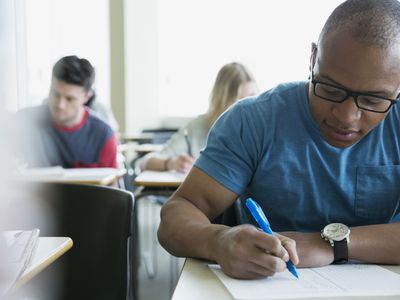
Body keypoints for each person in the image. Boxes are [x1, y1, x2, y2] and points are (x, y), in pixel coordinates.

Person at [158, 0, 400, 280]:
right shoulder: (254, 121)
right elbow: (177, 215)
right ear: (312, 58)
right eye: (331, 89)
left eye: (373, 100)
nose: (346, 116)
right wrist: (219, 240)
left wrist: (331, 245)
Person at [138, 62, 258, 173]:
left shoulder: (258, 133)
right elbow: (144, 162)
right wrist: (171, 163)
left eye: (252, 100)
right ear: (222, 101)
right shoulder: (197, 128)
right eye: (238, 103)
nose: (246, 111)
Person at [16, 55, 118, 168]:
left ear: (87, 97)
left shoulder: (103, 135)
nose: (60, 105)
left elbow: (111, 184)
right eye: (55, 94)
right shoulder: (23, 121)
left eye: (70, 99)